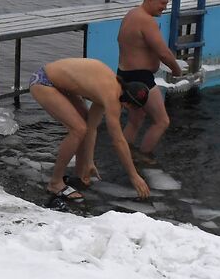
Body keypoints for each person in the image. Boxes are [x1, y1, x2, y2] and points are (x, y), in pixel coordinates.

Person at [27, 57, 152, 203]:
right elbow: (118, 141)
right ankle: (55, 183)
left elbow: (92, 128)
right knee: (78, 129)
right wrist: (134, 175)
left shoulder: (108, 90)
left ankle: (80, 175)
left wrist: (89, 161)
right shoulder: (112, 97)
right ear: (128, 104)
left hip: (57, 84)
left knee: (85, 125)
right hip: (43, 82)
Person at [117, 0, 184, 163]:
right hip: (141, 79)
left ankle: (124, 153)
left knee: (136, 119)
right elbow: (163, 53)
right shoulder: (146, 21)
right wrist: (177, 71)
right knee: (162, 121)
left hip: (124, 75)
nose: (165, 7)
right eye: (162, 3)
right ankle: (144, 157)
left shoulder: (131, 14)